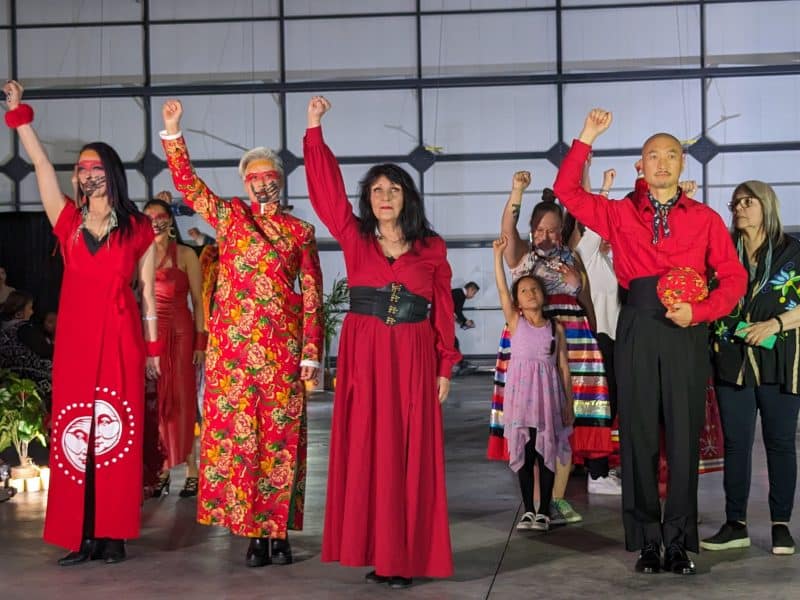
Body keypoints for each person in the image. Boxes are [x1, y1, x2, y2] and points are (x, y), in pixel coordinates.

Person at [553, 108, 747, 574]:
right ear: (642, 164)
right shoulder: (620, 213)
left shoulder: (703, 219)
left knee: (682, 437)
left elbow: (734, 278)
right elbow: (567, 192)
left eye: (672, 155)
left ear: (683, 164)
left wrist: (699, 312)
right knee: (638, 436)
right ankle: (645, 540)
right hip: (637, 322)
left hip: (686, 331)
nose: (662, 162)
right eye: (653, 155)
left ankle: (679, 541)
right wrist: (587, 136)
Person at [304, 96, 460, 588]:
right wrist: (314, 131)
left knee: (410, 457)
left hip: (414, 356)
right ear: (367, 198)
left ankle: (406, 557)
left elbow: (444, 309)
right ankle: (377, 550)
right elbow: (325, 194)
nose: (384, 196)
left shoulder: (431, 247)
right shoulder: (354, 238)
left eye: (393, 189)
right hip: (365, 355)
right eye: (376, 190)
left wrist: (444, 366)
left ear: (407, 197)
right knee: (369, 452)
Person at [160, 98, 323, 568]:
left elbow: (311, 292)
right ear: (244, 183)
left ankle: (280, 533)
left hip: (282, 353)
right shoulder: (230, 217)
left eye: (270, 174)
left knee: (282, 442)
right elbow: (188, 186)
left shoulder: (300, 231)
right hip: (232, 354)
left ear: (281, 180)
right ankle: (253, 531)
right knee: (242, 444)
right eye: (254, 176)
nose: (263, 181)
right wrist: (173, 132)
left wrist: (310, 352)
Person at [4, 80, 160, 565]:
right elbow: (42, 168)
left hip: (120, 342)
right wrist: (20, 117)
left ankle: (113, 535)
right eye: (82, 168)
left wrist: (153, 353)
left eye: (95, 167)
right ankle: (82, 534)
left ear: (111, 175)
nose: (86, 173)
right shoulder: (66, 222)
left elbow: (149, 295)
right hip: (74, 344)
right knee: (75, 436)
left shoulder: (139, 229)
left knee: (116, 435)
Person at [489, 173, 613, 527]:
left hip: (574, 337)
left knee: (564, 419)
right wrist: (517, 191)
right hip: (529, 340)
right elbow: (507, 230)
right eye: (540, 229)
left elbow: (585, 295)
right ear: (532, 230)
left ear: (562, 229)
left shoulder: (572, 254)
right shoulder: (522, 254)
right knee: (531, 420)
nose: (547, 236)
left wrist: (594, 331)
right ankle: (535, 502)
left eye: (554, 229)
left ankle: (555, 500)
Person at [701, 181, 800, 556]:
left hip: (780, 359)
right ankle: (735, 524)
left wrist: (774, 325)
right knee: (737, 445)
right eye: (736, 203)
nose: (740, 208)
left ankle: (780, 526)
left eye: (748, 202)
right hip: (733, 360)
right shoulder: (723, 252)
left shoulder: (793, 252)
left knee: (779, 443)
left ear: (767, 206)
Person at [493, 235, 573, 532]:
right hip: (520, 398)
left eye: (535, 289)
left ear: (543, 295)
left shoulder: (556, 328)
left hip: (547, 398)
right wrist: (497, 258)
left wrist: (569, 404)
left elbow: (563, 368)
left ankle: (545, 511)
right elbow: (502, 289)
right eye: (524, 290)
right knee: (526, 453)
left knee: (546, 451)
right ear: (518, 300)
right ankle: (528, 510)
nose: (529, 293)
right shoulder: (516, 322)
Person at [563, 165, 623, 496]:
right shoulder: (588, 257)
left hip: (619, 342)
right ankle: (596, 475)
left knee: (615, 409)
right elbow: (597, 221)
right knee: (600, 408)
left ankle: (604, 468)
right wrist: (603, 187)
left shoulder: (620, 263)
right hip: (598, 342)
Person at [142, 197, 206, 499]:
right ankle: (163, 467)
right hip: (150, 334)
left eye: (161, 215)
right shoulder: (138, 255)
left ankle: (192, 468)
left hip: (180, 333)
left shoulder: (185, 254)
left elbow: (199, 300)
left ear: (170, 220)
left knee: (182, 401)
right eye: (149, 216)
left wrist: (200, 341)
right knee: (156, 404)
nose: (155, 220)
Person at [0, 290, 53, 402]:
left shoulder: (4, 331)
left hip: (9, 385)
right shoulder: (24, 329)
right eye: (29, 308)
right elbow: (45, 351)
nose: (32, 312)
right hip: (32, 386)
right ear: (19, 313)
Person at [452, 281, 480, 375]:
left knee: (453, 342)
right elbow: (457, 311)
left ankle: (461, 363)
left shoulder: (457, 293)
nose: (473, 296)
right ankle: (461, 364)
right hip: (442, 323)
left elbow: (455, 312)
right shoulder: (460, 294)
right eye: (474, 293)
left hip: (443, 322)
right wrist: (465, 321)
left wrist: (463, 321)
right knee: (453, 342)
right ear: (470, 289)